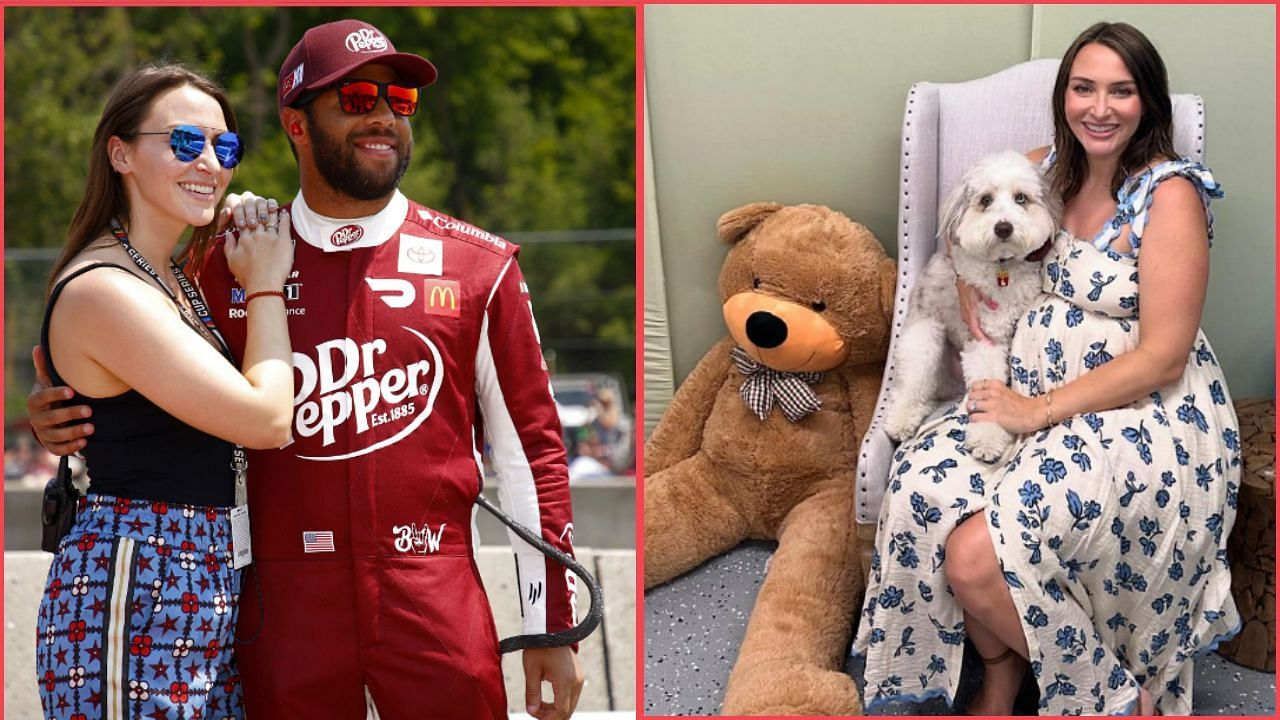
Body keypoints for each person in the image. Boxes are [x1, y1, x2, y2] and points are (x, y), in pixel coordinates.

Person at [31, 19, 584, 720]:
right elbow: (116, 367)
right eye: (355, 98)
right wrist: (67, 413)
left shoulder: (481, 266)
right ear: (295, 124)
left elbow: (531, 451)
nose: (382, 114)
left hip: (431, 590)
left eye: (399, 101)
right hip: (265, 605)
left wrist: (553, 623)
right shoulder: (225, 257)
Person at [852, 22, 1239, 716]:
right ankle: (1001, 676)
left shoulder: (1168, 195)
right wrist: (971, 297)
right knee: (918, 497)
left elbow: (1163, 356)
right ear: (1063, 97)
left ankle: (1114, 698)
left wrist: (1036, 410)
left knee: (976, 555)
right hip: (1022, 395)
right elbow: (974, 230)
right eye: (1084, 88)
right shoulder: (1046, 169)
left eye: (1121, 91)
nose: (1100, 107)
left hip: (1139, 416)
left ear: (1148, 102)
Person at [30, 63, 295, 720]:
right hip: (139, 579)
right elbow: (265, 420)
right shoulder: (105, 288)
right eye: (183, 143)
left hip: (201, 585)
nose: (209, 161)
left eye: (224, 147)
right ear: (120, 152)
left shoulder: (171, 276)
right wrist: (265, 280)